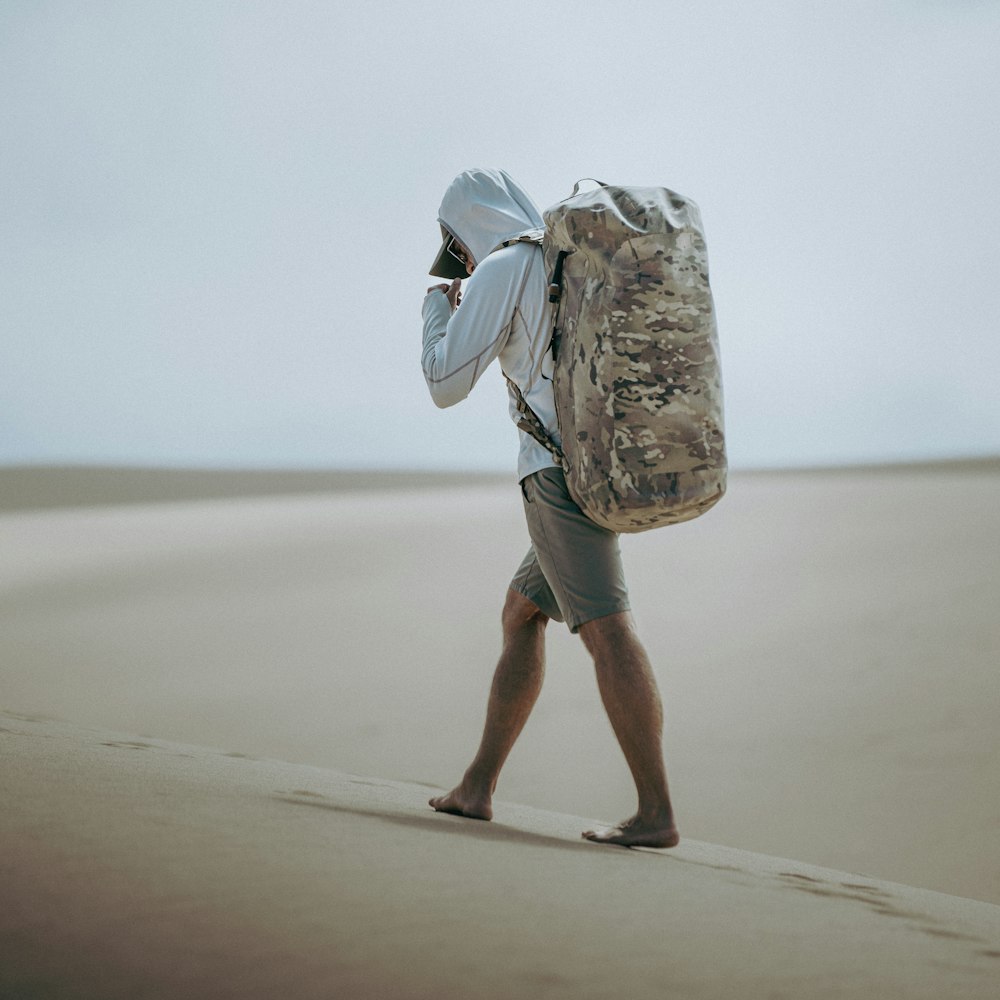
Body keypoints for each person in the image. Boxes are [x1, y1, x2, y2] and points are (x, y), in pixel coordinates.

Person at [421, 168, 678, 848]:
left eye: (457, 247)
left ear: (471, 228)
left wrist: (436, 312)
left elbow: (446, 384)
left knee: (607, 632)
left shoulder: (505, 268)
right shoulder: (563, 258)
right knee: (521, 611)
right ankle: (477, 786)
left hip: (558, 479)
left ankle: (656, 814)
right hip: (603, 460)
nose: (462, 262)